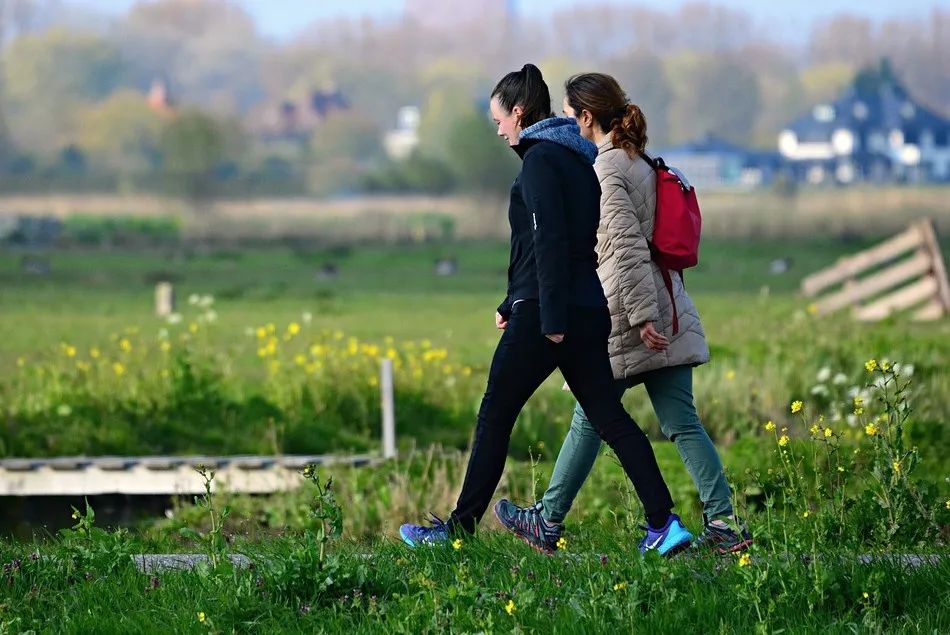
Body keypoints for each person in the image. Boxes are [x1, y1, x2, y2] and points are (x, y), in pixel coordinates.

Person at [399, 64, 692, 556]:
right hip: (583, 306)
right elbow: (549, 248)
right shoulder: (577, 159)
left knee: (495, 413)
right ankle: (665, 524)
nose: (496, 129)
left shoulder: (538, 162)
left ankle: (458, 531)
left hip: (549, 313)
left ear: (519, 112)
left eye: (499, 119)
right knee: (609, 417)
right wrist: (510, 301)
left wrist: (547, 318)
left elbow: (550, 242)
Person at [493, 72, 752, 555]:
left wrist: (640, 316)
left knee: (592, 415)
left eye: (570, 116)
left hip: (632, 312)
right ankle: (725, 524)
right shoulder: (640, 160)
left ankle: (547, 522)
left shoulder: (606, 168)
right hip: (668, 302)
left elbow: (625, 248)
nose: (566, 123)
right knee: (681, 422)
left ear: (587, 118)